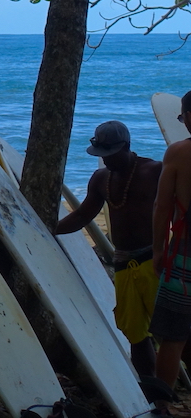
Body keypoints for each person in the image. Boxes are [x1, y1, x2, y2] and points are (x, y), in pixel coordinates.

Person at [55, 120, 162, 376]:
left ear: (126, 146)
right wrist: (50, 228)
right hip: (124, 264)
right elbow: (82, 215)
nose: (107, 161)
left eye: (111, 155)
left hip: (155, 262)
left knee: (172, 332)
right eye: (102, 156)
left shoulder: (155, 171)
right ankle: (153, 397)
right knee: (135, 334)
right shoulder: (102, 178)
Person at [152, 91, 191, 398]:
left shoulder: (178, 153)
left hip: (185, 256)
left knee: (173, 336)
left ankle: (162, 406)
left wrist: (158, 250)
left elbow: (162, 207)